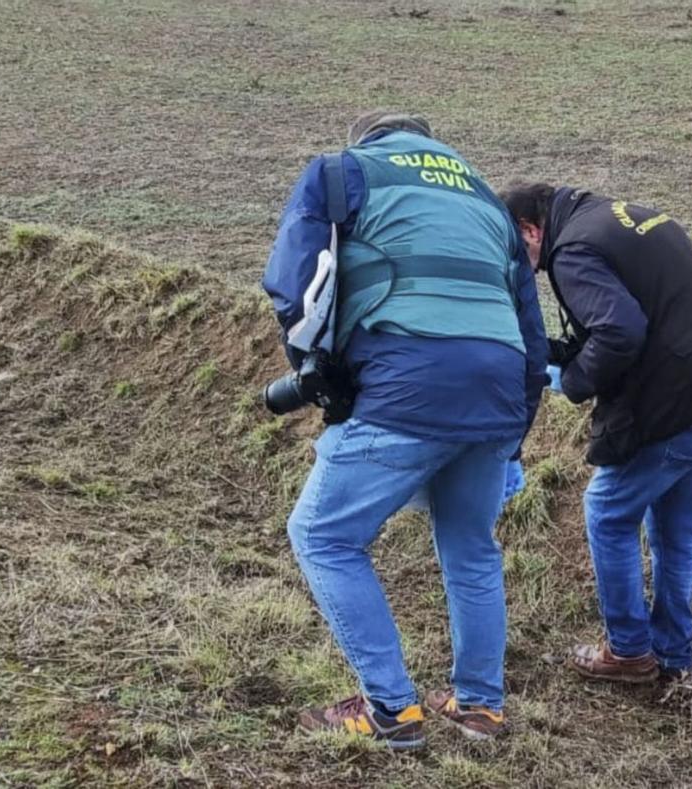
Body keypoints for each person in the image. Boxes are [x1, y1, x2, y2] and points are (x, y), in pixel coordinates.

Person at [262, 112, 547, 749]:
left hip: (408, 380)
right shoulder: (484, 198)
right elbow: (532, 333)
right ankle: (480, 706)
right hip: (500, 389)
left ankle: (390, 709)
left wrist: (317, 371)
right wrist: (512, 438)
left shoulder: (341, 172)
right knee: (471, 546)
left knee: (323, 535)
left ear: (371, 139)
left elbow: (295, 285)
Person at [501, 182, 692, 683]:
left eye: (514, 249)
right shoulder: (622, 216)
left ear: (530, 230)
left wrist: (574, 381)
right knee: (674, 529)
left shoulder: (573, 252)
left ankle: (628, 652)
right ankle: (674, 656)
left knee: (608, 512)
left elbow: (620, 331)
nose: (521, 267)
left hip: (682, 406)